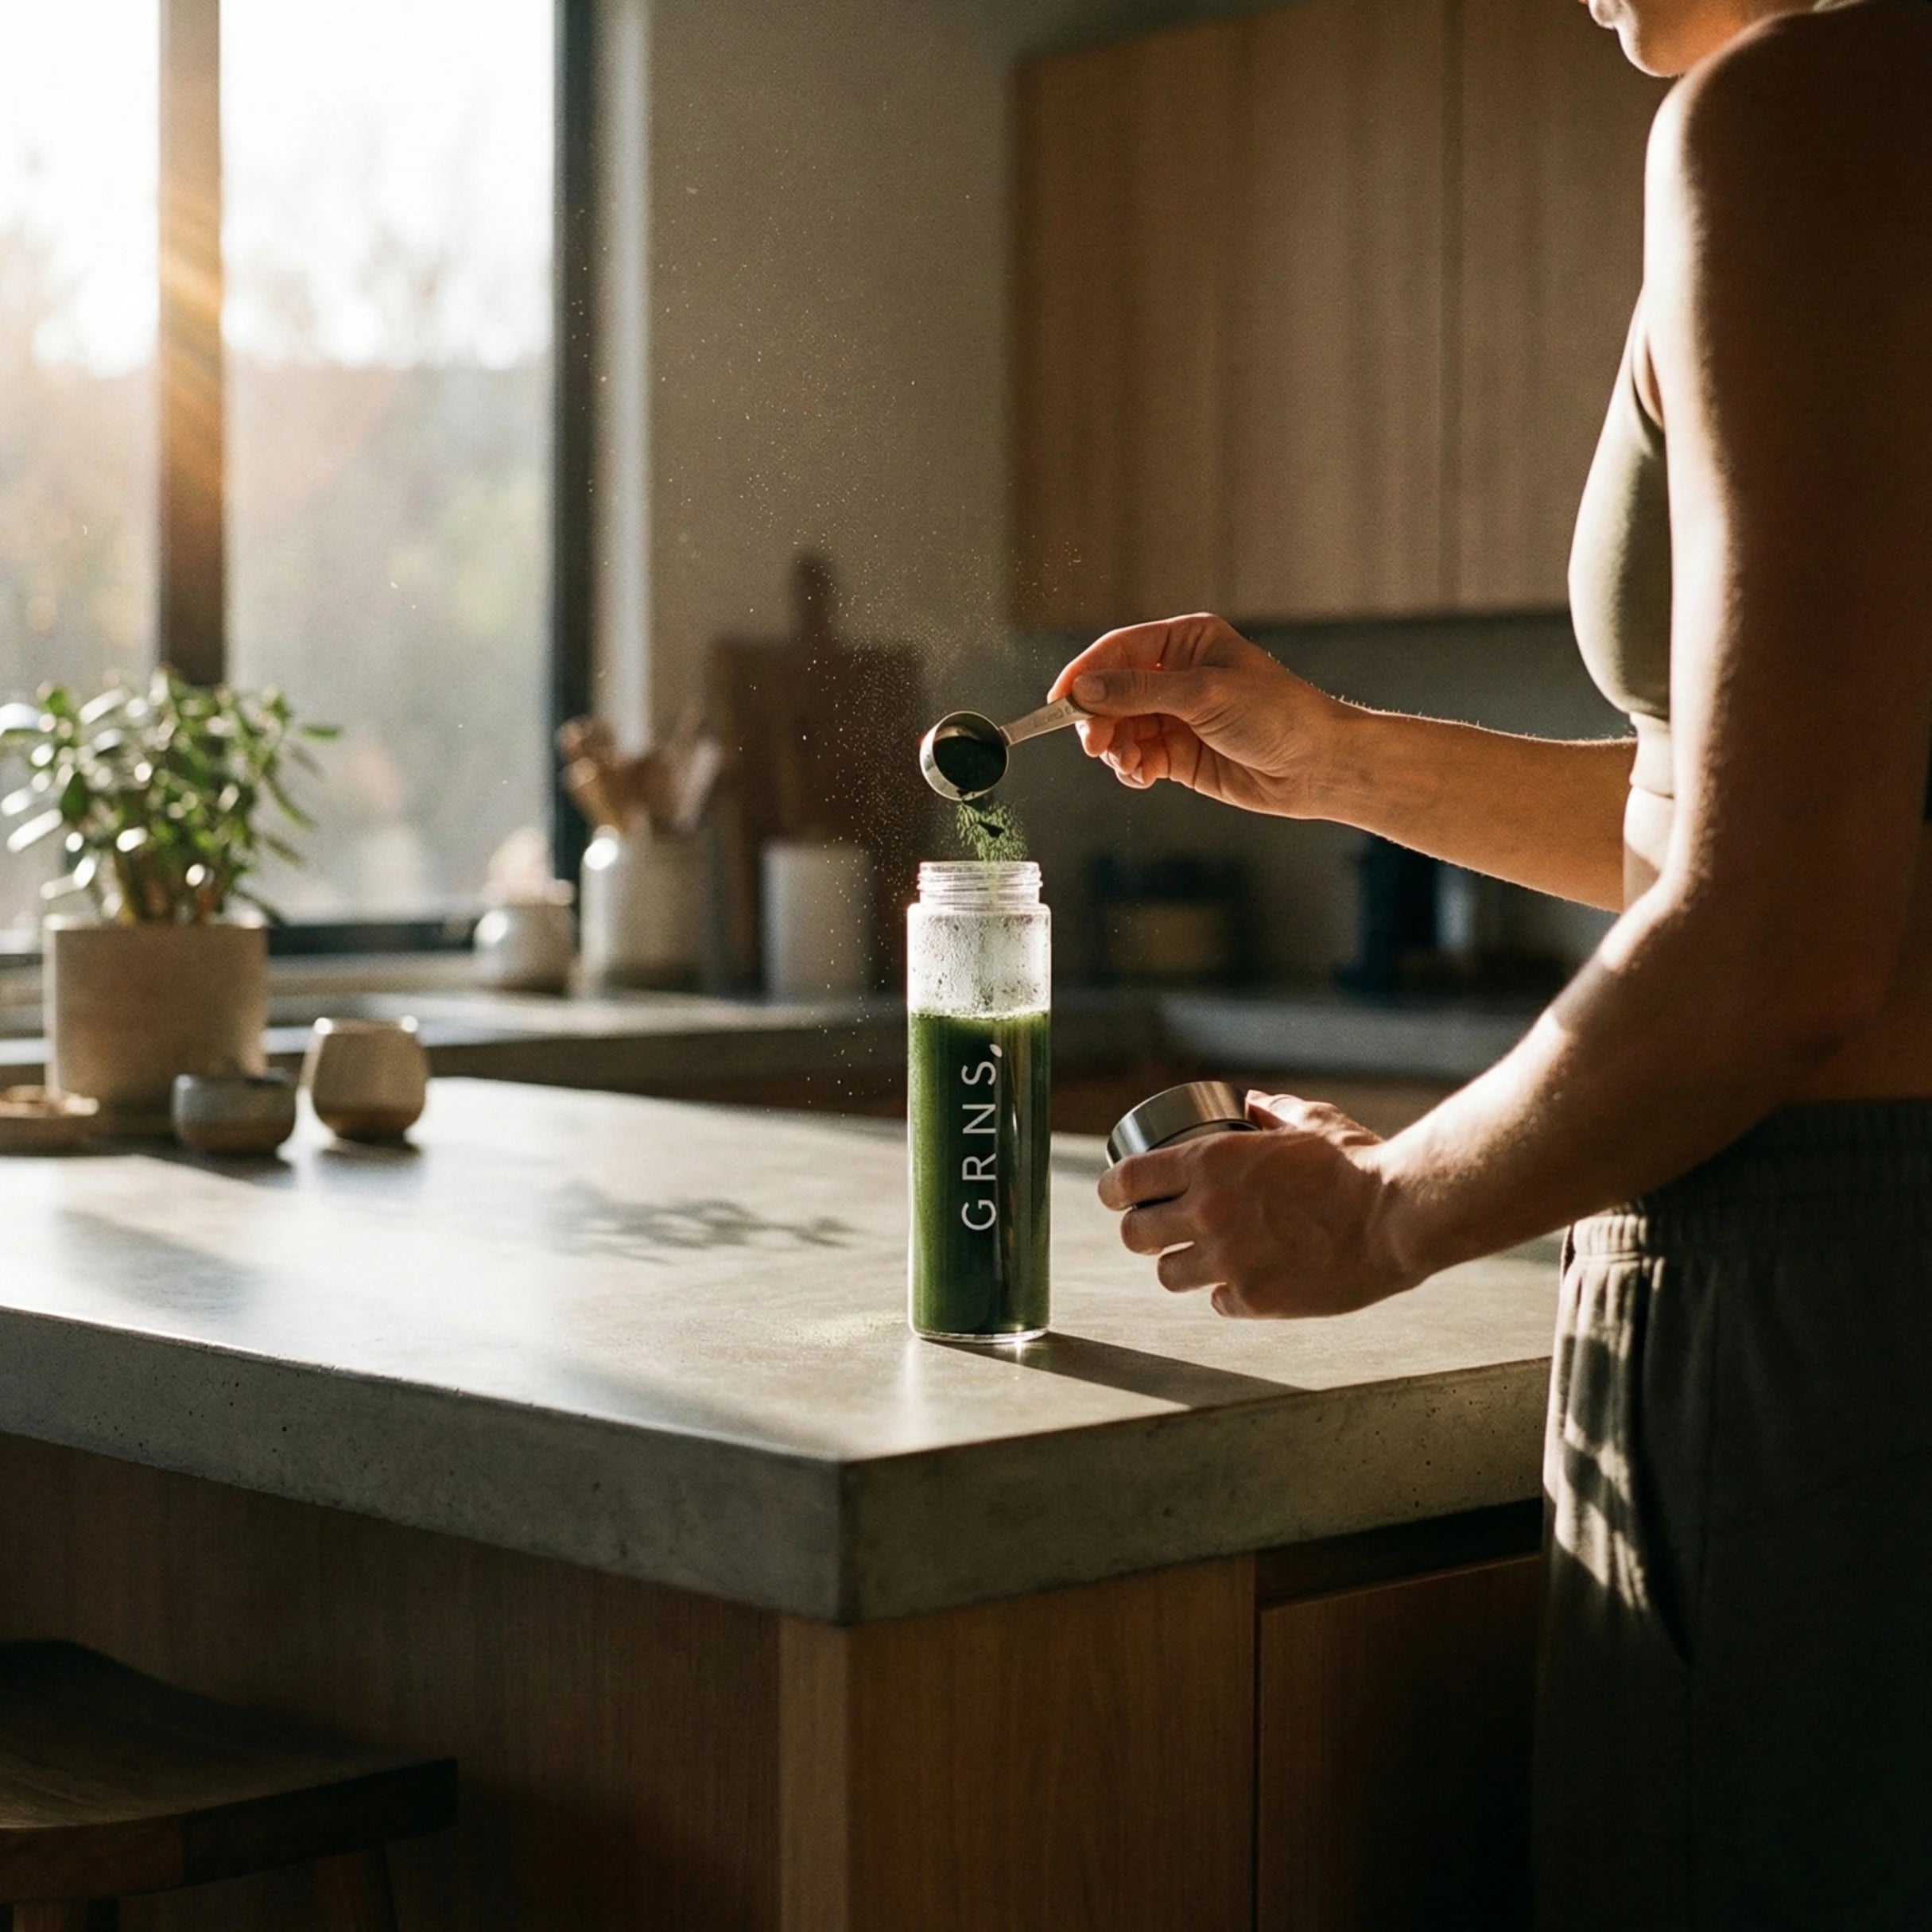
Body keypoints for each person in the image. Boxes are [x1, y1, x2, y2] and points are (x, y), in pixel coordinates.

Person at [1050, 0, 1932, 1922]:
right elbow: (1825, 813)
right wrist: (1337, 758)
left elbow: (1786, 938)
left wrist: (1378, 1211)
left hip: (1834, 1324)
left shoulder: (1796, 119)